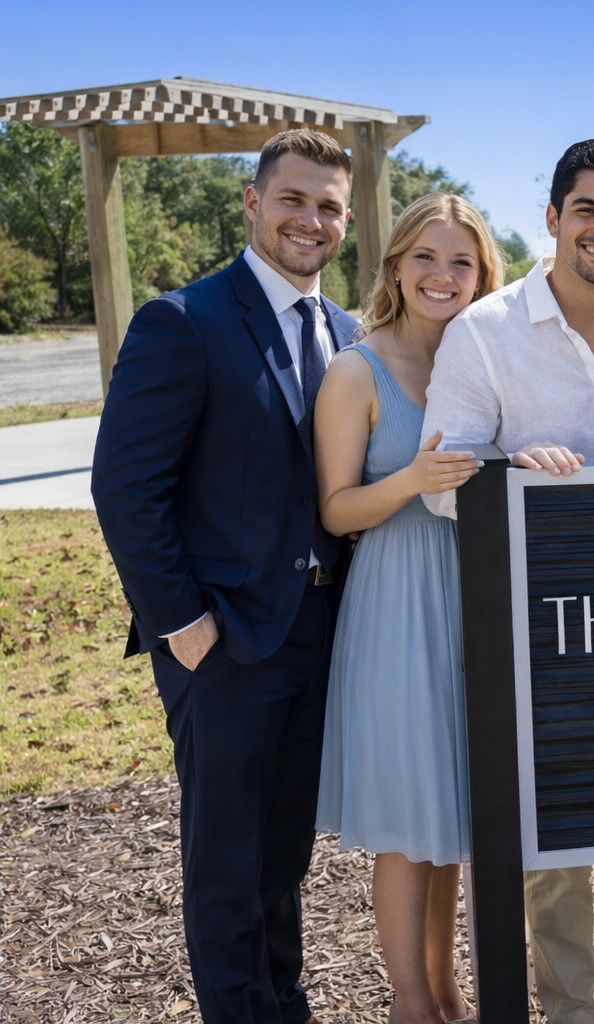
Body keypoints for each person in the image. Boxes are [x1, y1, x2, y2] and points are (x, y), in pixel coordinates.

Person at [91, 128, 357, 1024]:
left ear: (345, 220)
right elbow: (126, 487)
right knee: (225, 863)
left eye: (327, 205)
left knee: (282, 855)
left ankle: (285, 1002)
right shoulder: (186, 321)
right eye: (293, 198)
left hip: (323, 635)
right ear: (252, 201)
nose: (308, 219)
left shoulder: (350, 334)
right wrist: (183, 626)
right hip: (225, 642)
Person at [419, 139, 594, 1024]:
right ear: (552, 219)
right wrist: (509, 470)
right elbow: (442, 483)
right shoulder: (484, 332)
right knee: (549, 838)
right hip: (533, 624)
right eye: (587, 211)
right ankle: (562, 1006)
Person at [312, 193, 504, 1024]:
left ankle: (450, 990)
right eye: (426, 257)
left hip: (475, 597)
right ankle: (410, 1006)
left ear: (482, 274)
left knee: (453, 806)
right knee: (405, 816)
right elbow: (335, 509)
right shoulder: (356, 370)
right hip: (395, 600)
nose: (442, 275)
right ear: (395, 264)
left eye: (461, 261)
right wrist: (411, 483)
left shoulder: (485, 360)